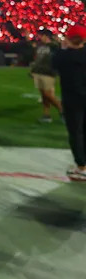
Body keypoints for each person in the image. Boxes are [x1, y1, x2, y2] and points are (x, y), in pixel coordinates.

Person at [52, 24, 86, 181]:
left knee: (75, 132)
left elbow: (54, 65)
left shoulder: (63, 56)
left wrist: (63, 48)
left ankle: (82, 166)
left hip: (72, 99)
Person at [29, 30, 62, 123]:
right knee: (44, 96)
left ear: (46, 36)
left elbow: (58, 58)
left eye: (41, 35)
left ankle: (62, 109)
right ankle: (46, 115)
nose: (40, 37)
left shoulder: (54, 46)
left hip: (48, 72)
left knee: (48, 94)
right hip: (38, 72)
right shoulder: (40, 46)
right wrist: (33, 70)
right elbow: (37, 60)